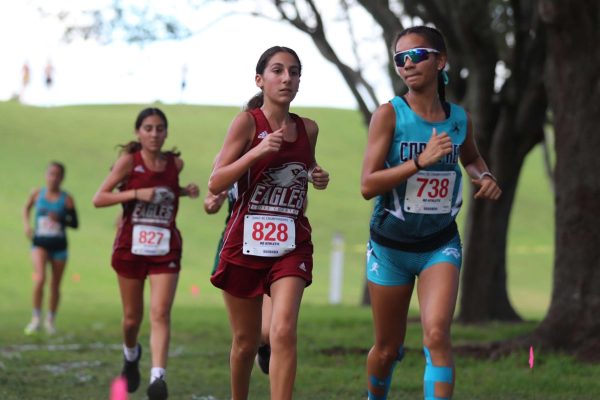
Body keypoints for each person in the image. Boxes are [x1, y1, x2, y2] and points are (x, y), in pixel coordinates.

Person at [360, 26, 502, 400]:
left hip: (440, 243)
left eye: (418, 55)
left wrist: (483, 175)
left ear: (441, 61)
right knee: (387, 349)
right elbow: (367, 185)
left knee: (437, 334)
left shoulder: (459, 119)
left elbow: (470, 157)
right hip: (390, 247)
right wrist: (419, 162)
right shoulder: (389, 115)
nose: (408, 64)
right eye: (400, 58)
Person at [208, 46, 330, 400]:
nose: (287, 78)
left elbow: (304, 168)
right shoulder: (247, 123)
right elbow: (216, 182)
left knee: (283, 331)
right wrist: (257, 151)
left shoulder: (309, 128)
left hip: (291, 243)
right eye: (278, 71)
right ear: (260, 80)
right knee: (246, 342)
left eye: (294, 72)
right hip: (245, 241)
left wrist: (314, 176)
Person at [92, 107, 199, 400]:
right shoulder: (129, 162)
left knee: (160, 312)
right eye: (148, 128)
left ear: (166, 132)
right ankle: (131, 354)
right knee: (131, 319)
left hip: (165, 247)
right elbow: (99, 198)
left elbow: (165, 192)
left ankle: (158, 379)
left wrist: (182, 191)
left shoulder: (175, 163)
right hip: (131, 247)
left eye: (160, 128)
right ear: (139, 132)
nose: (154, 134)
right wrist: (135, 194)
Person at [204, 183, 272, 375]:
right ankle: (258, 346)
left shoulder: (279, 153)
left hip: (273, 246)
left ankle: (265, 345)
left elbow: (302, 201)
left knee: (269, 331)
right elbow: (209, 202)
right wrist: (213, 202)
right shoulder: (228, 155)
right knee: (246, 336)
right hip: (237, 244)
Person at [23, 161, 79, 335]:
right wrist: (26, 225)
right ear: (46, 175)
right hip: (40, 243)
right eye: (51, 174)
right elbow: (26, 208)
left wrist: (60, 219)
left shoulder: (67, 199)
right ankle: (35, 318)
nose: (53, 178)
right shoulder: (37, 194)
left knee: (55, 284)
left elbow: (75, 223)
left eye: (57, 175)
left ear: (62, 178)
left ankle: (50, 321)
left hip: (59, 246)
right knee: (40, 279)